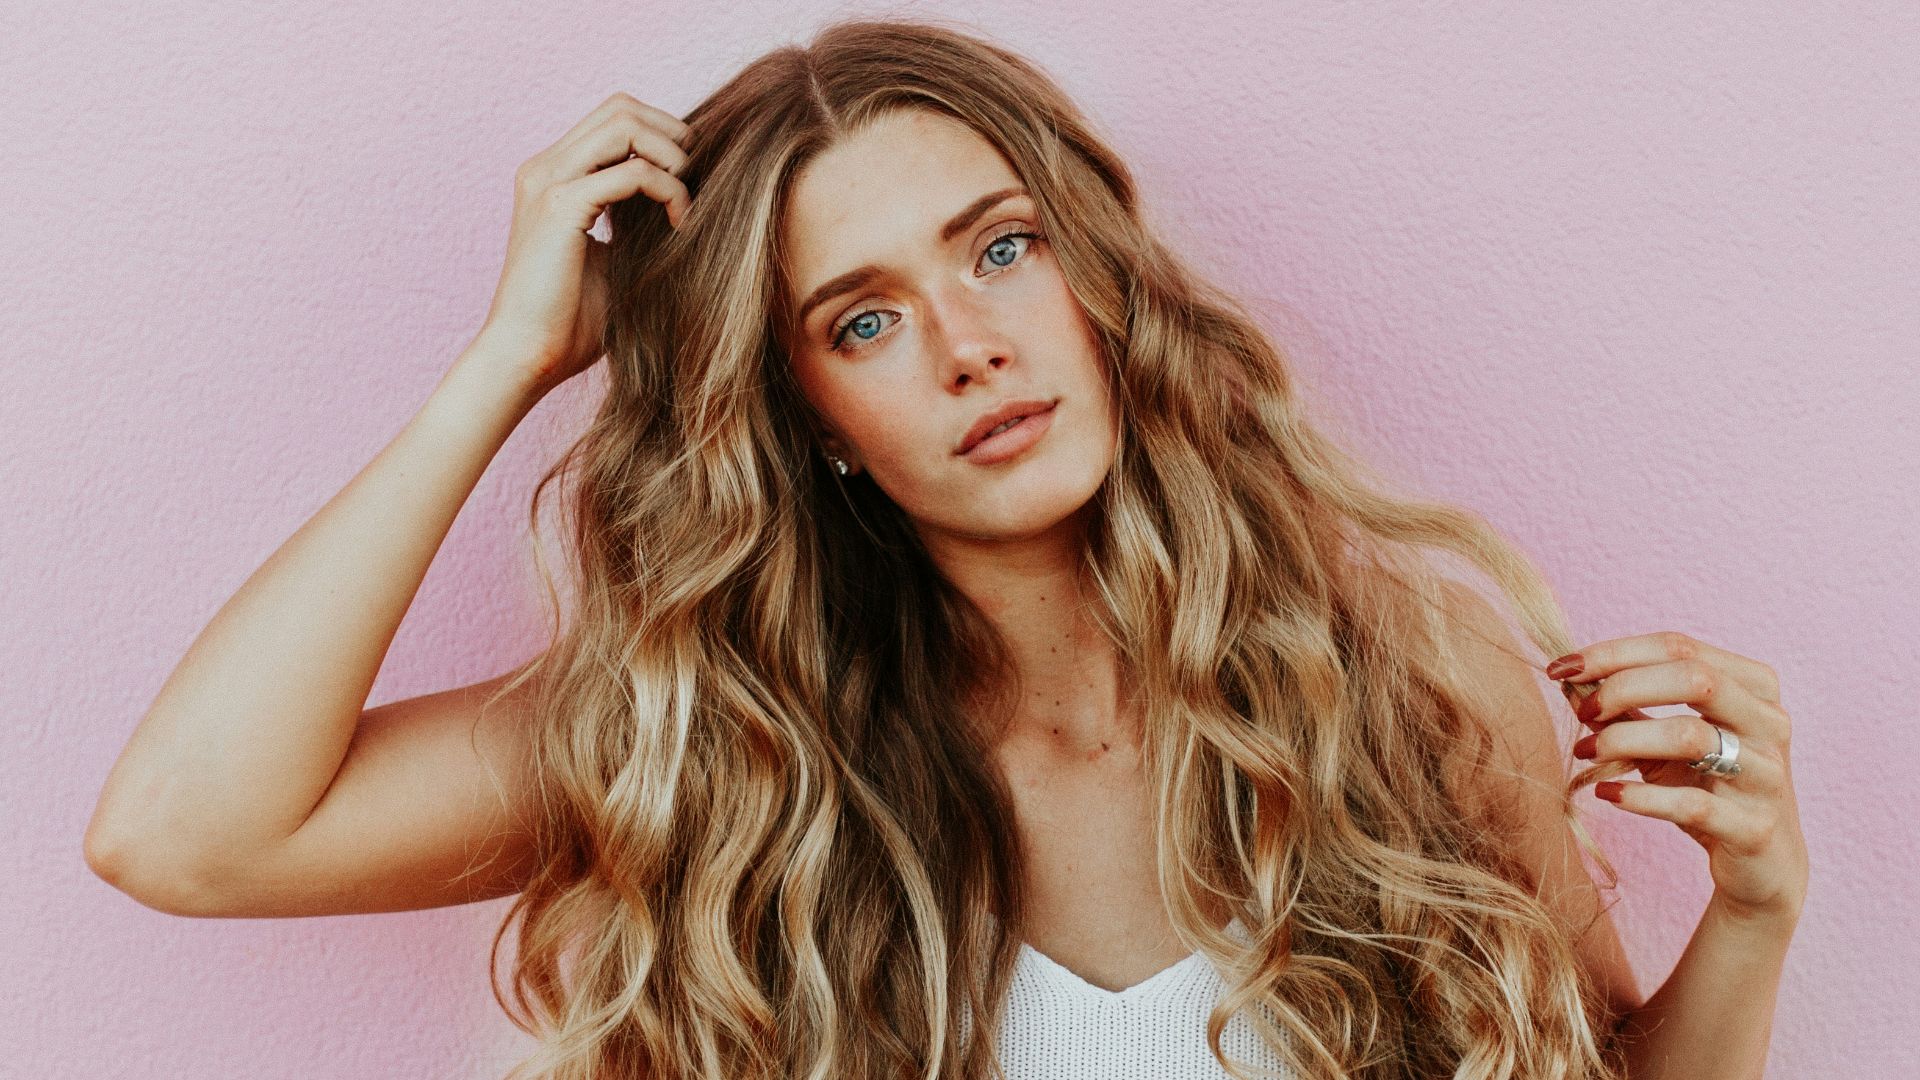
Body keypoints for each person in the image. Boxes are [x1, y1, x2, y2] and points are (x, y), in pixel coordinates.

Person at [83, 16, 1808, 1080]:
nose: (969, 346)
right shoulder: (720, 746)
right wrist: (513, 362)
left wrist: (1751, 910)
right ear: (809, 416)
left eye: (997, 251)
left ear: (1097, 276)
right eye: (860, 320)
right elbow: (188, 834)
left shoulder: (1403, 683)